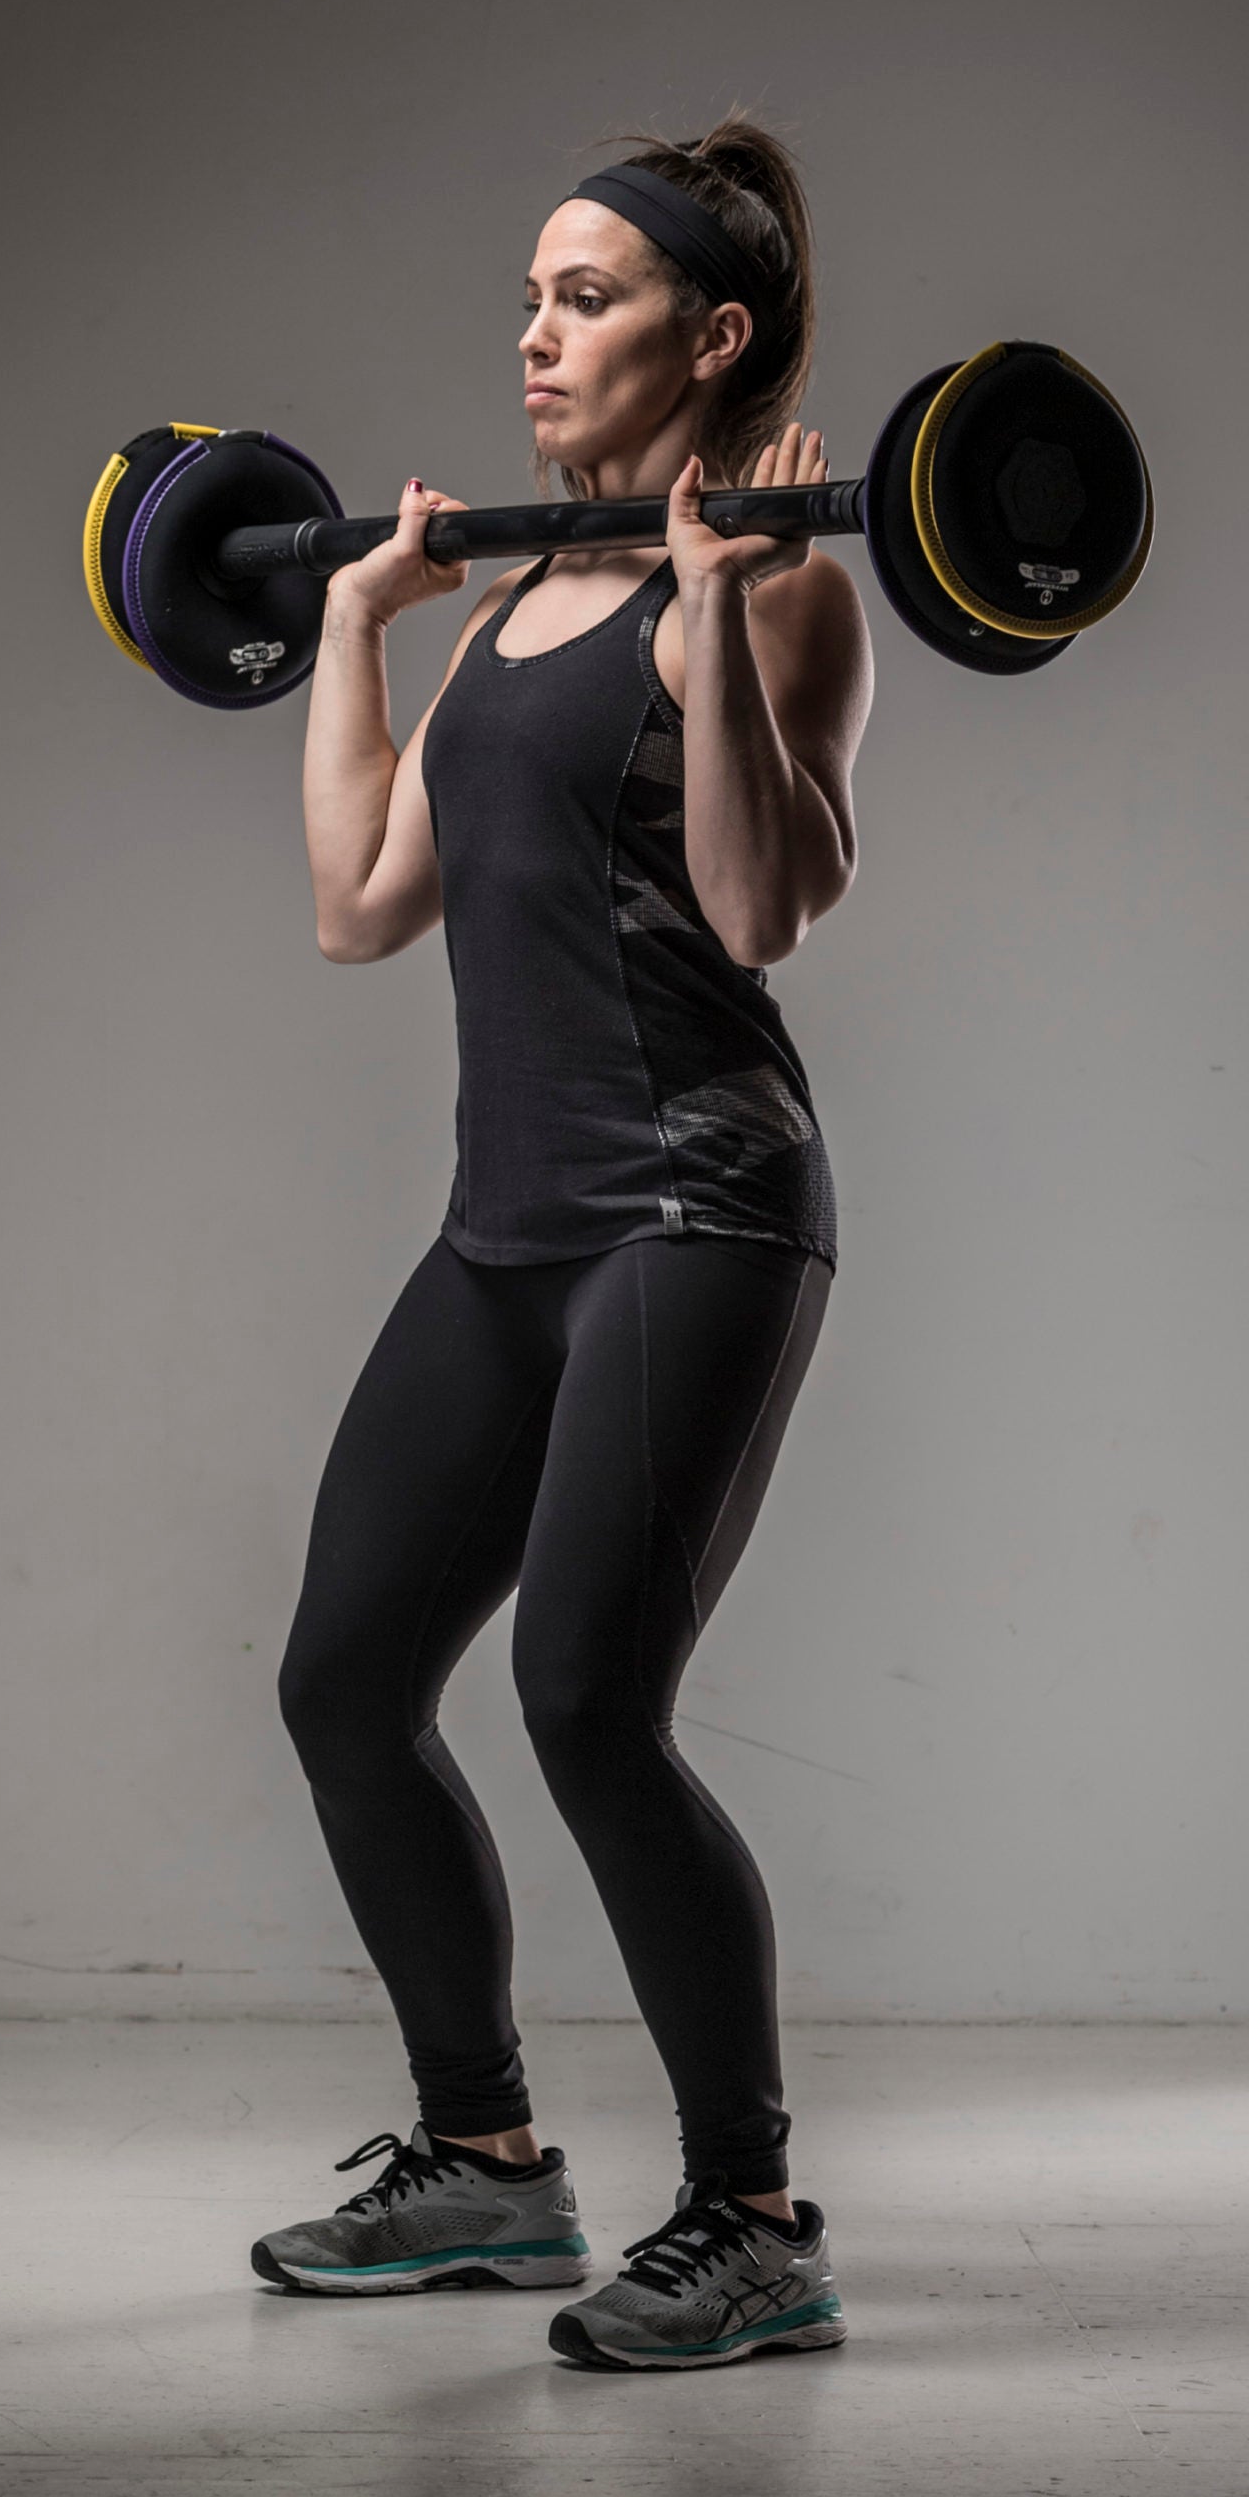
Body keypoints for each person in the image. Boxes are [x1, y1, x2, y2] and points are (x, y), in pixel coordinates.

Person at [252, 115, 873, 2370]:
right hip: (508, 1219)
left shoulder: (789, 578)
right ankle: (485, 2167)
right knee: (338, 1679)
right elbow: (357, 904)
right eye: (526, 293)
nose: (531, 334)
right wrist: (347, 622)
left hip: (698, 1198)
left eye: (584, 295)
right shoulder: (508, 600)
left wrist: (712, 610)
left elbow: (755, 904)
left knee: (587, 1702)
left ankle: (750, 2211)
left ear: (708, 335)